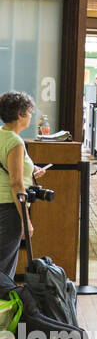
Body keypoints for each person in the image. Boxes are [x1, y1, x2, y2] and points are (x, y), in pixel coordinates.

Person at [0, 92, 49, 279]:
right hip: (9, 208)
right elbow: (16, 183)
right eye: (29, 112)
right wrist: (25, 220)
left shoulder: (2, 134)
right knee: (4, 268)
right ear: (20, 114)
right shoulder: (15, 142)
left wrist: (31, 169)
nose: (30, 116)